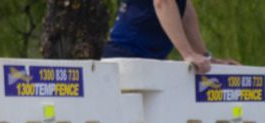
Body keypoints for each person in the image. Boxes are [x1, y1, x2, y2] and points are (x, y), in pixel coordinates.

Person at [102, 0, 237, 74]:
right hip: (127, 57)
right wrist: (187, 53)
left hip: (142, 58)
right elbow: (163, 2)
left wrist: (205, 57)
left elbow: (184, 10)